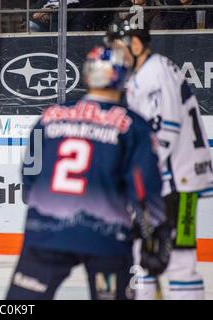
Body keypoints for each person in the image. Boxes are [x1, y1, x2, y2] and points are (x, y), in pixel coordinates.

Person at [6, 46, 170, 300]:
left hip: (46, 231)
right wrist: (155, 230)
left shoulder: (50, 116)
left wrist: (41, 208)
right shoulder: (133, 125)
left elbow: (29, 173)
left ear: (86, 76)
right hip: (106, 236)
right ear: (122, 77)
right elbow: (144, 187)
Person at [106, 20, 213, 299]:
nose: (115, 56)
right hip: (168, 181)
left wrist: (142, 178)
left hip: (179, 183)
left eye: (118, 48)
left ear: (137, 45)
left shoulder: (156, 74)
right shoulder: (143, 74)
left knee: (180, 261)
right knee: (144, 258)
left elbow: (166, 130)